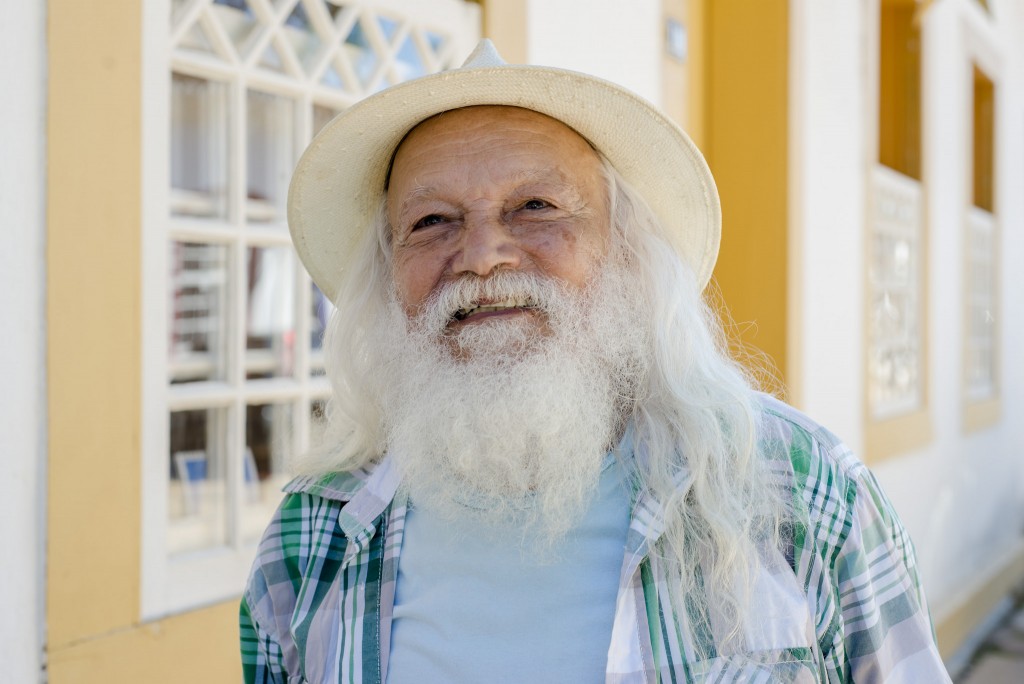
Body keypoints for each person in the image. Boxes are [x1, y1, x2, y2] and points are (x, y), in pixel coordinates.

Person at [240, 40, 950, 683]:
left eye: (537, 206)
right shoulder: (313, 540)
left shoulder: (801, 494)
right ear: (390, 274)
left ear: (627, 251)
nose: (484, 255)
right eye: (432, 221)